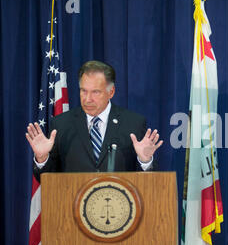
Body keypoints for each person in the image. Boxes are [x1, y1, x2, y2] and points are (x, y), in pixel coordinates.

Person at [26, 60, 163, 178]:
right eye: (83, 91)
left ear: (111, 92)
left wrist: (145, 161)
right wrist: (42, 158)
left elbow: (146, 182)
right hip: (74, 205)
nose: (87, 99)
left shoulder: (133, 124)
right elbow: (47, 179)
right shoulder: (61, 124)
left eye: (95, 92)